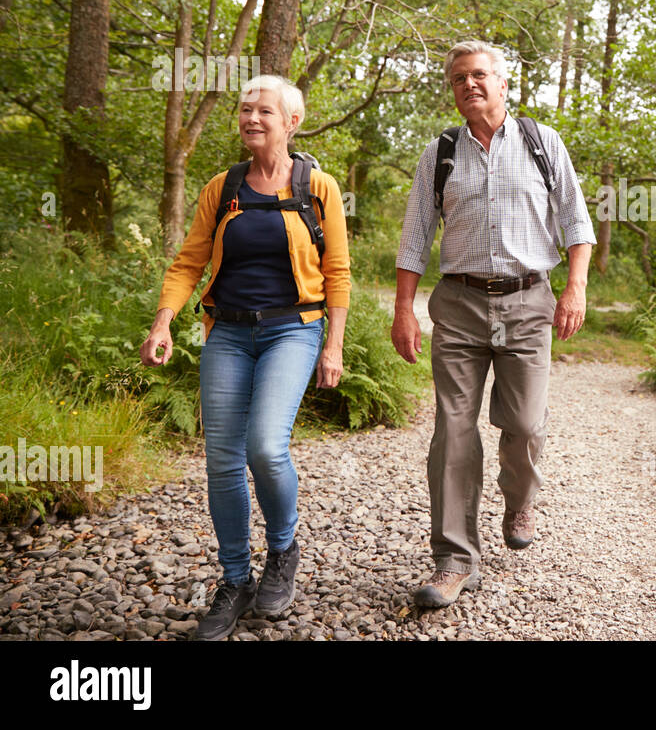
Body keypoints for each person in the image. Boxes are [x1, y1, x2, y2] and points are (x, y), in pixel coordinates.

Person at [139, 74, 351, 640]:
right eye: (244, 109)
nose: (251, 119)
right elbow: (189, 262)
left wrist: (334, 346)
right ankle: (235, 580)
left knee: (265, 445)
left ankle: (283, 549)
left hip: (293, 330)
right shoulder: (223, 186)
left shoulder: (319, 187)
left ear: (292, 121)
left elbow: (338, 274)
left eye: (264, 111)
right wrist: (164, 322)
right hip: (227, 334)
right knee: (222, 461)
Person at [391, 40, 594, 609]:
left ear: (504, 84)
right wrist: (403, 310)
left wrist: (574, 288)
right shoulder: (442, 152)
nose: (469, 85)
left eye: (480, 75)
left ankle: (520, 498)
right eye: (459, 79)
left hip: (530, 303)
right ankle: (455, 559)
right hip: (458, 306)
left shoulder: (541, 142)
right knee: (453, 430)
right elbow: (414, 238)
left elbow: (576, 222)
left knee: (525, 425)